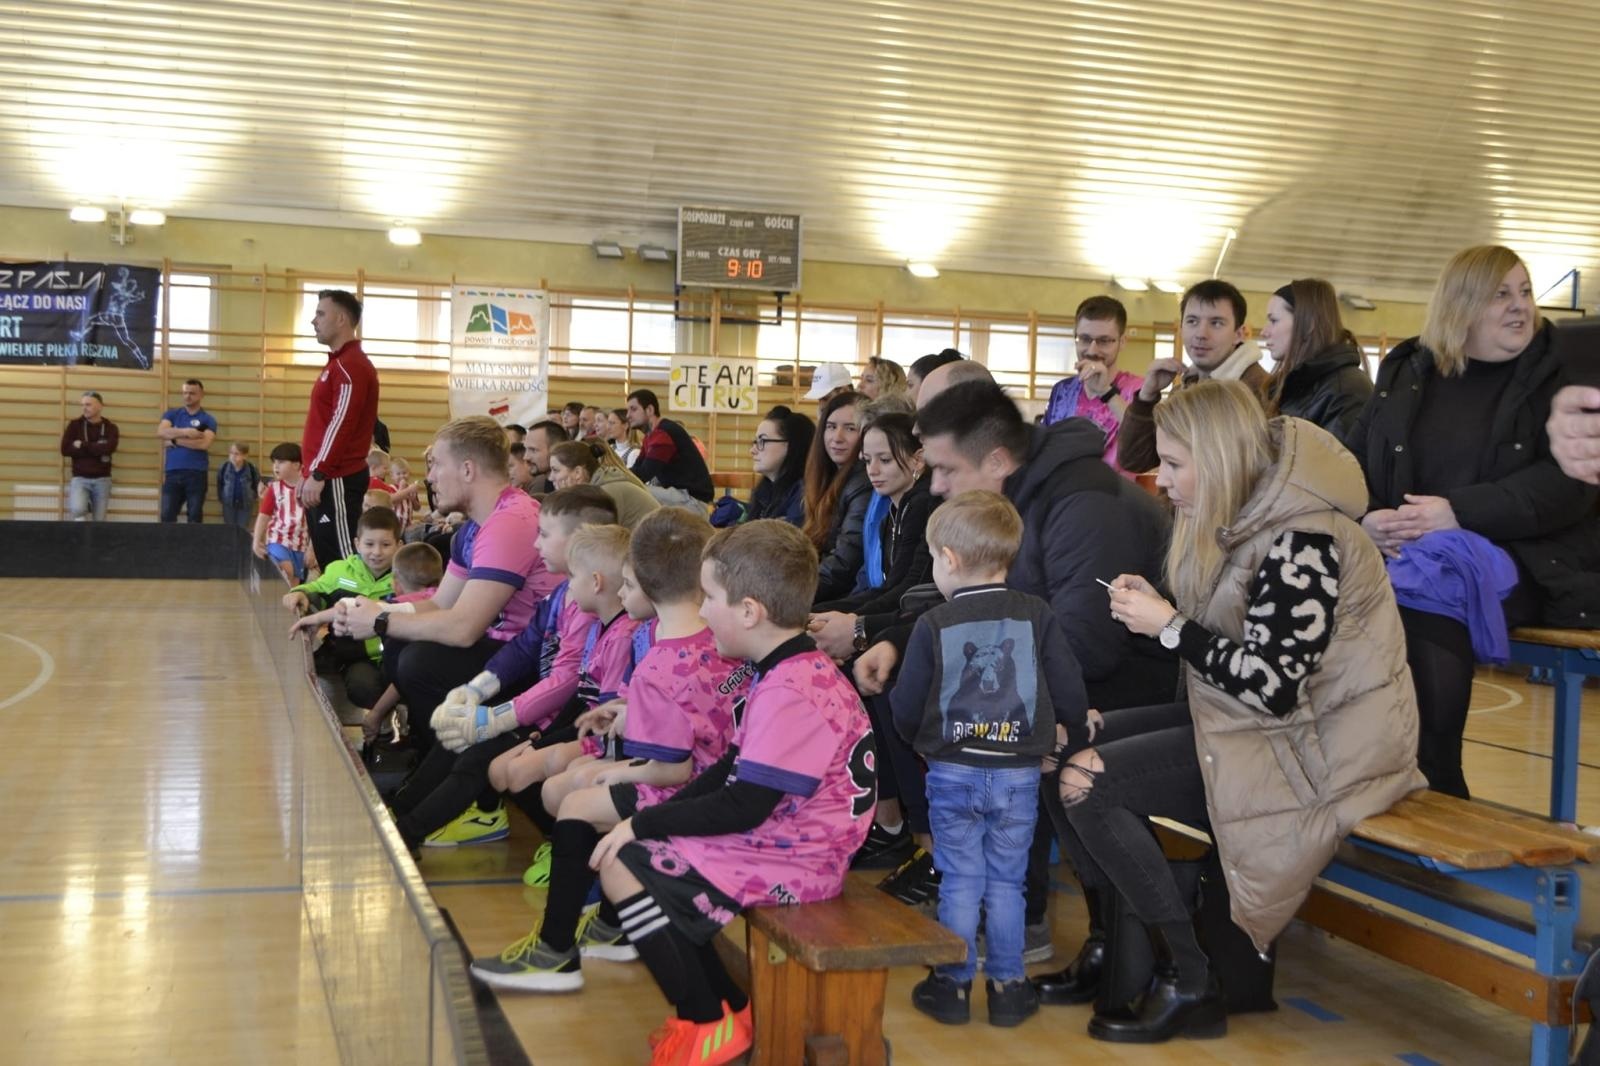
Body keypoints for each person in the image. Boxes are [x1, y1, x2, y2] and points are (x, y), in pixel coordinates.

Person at [1040, 379, 1423, 1042]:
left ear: (1218, 459)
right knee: (1061, 748)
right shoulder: (1244, 520)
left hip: (1319, 749)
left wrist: (1168, 627)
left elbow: (1273, 684)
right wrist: (1161, 609)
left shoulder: (1305, 540)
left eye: (1177, 463)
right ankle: (1112, 946)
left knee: (1088, 782)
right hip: (1258, 728)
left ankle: (1189, 977)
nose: (1162, 478)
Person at [857, 380, 1174, 922]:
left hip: (1130, 689)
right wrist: (898, 640)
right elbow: (990, 607)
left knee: (987, 730)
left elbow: (1086, 647)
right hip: (1079, 676)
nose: (935, 486)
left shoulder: (1084, 507)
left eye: (946, 469)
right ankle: (981, 887)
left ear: (998, 460)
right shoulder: (1021, 497)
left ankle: (1022, 912)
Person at [589, 520, 875, 1065]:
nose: (704, 611)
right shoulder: (786, 667)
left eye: (711, 598)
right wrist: (658, 817)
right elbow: (730, 768)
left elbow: (746, 803)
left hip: (803, 856)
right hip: (794, 836)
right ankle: (726, 1009)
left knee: (627, 863)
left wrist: (645, 824)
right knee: (634, 854)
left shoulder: (790, 688)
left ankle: (708, 1019)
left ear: (749, 611)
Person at [1349, 245, 1600, 797]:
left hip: (1532, 559)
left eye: (1526, 292)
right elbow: (1353, 460)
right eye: (1500, 294)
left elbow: (1569, 487)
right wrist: (1368, 517)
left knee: (1433, 580)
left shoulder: (1560, 375)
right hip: (1404, 553)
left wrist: (1457, 512)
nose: (1520, 307)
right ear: (1460, 304)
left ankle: (1438, 780)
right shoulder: (1407, 368)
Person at [470, 509, 752, 994]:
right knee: (581, 791)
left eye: (625, 584)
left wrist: (616, 773)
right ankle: (605, 923)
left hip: (695, 788)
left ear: (645, 583)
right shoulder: (717, 639)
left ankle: (556, 950)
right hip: (723, 776)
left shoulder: (659, 664)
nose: (621, 596)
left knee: (579, 803)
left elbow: (670, 767)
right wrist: (629, 716)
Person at [891, 491, 1088, 1028]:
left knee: (959, 882)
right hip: (1019, 777)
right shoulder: (1036, 614)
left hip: (952, 772)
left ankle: (951, 989)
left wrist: (918, 740)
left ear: (949, 559)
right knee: (1007, 883)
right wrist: (1071, 725)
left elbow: (905, 704)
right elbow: (1067, 684)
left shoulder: (934, 624)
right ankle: (1008, 988)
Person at [391, 487, 620, 850]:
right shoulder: (562, 593)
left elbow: (567, 682)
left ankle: (404, 836)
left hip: (567, 720)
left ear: (580, 542)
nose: (536, 545)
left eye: (544, 535)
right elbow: (525, 647)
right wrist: (478, 688)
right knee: (459, 739)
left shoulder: (591, 606)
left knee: (481, 756)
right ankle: (397, 815)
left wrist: (499, 718)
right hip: (548, 715)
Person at [334, 416, 558, 753]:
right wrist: (376, 610)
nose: (429, 477)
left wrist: (380, 621)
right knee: (400, 644)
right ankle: (436, 755)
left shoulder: (510, 521)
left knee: (421, 661)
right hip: (506, 651)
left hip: (536, 663)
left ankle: (468, 765)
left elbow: (463, 627)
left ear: (467, 470)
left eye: (436, 464)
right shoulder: (475, 527)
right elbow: (441, 603)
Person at [808, 412, 934, 868]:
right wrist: (827, 613)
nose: (874, 469)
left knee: (874, 687)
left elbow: (910, 592)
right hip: (898, 619)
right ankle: (886, 816)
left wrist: (850, 620)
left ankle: (909, 826)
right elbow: (887, 590)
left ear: (918, 458)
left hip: (917, 630)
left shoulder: (923, 505)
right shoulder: (892, 511)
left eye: (884, 458)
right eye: (868, 460)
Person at [478, 525, 643, 812]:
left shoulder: (623, 636)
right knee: (500, 769)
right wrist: (545, 737)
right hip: (587, 729)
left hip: (605, 740)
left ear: (595, 582)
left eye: (571, 576)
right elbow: (580, 695)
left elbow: (604, 718)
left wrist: (548, 745)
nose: (567, 586)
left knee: (517, 771)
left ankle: (562, 836)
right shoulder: (597, 626)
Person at [1118, 280, 1266, 474]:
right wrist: (1147, 396)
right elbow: (1134, 460)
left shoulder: (1260, 390)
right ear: (1181, 328)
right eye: (1192, 321)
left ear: (1239, 334)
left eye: (1216, 323)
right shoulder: (1186, 388)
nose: (1201, 334)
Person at [286, 506, 404, 709]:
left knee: (417, 677)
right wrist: (299, 593)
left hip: (398, 655)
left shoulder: (406, 577)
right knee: (363, 687)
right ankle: (382, 725)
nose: (376, 552)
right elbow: (317, 589)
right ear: (357, 544)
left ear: (399, 546)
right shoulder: (339, 571)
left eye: (385, 544)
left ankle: (405, 720)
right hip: (356, 658)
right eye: (369, 544)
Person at [300, 289, 380, 567]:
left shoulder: (350, 366)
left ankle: (352, 610)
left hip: (336, 477)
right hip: (326, 476)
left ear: (342, 319)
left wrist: (319, 472)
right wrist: (308, 471)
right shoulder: (337, 365)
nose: (314, 320)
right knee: (329, 561)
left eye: (321, 313)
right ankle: (335, 611)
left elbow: (341, 423)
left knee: (345, 561)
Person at [1258, 278, 1372, 441]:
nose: (1264, 332)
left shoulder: (1348, 389)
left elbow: (1341, 463)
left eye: (1273, 320)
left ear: (1309, 323)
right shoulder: (1289, 383)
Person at [1043, 296, 1144, 476]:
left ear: (1122, 342)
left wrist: (1105, 391)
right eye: (1084, 339)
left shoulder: (1138, 390)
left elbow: (1146, 442)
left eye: (1104, 341)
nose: (1092, 350)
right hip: (1063, 496)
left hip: (1116, 498)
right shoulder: (1062, 390)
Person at [804, 389, 872, 602]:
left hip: (844, 598)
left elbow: (844, 565)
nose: (837, 437)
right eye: (831, 427)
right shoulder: (828, 477)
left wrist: (791, 593)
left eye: (850, 428)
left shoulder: (865, 481)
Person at [626, 389, 715, 508]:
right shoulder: (650, 436)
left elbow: (643, 474)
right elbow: (637, 467)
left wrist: (616, 478)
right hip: (680, 496)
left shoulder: (663, 433)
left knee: (634, 492)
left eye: (633, 409)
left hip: (693, 501)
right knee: (631, 489)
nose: (628, 416)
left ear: (650, 410)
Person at [549, 439, 662, 529]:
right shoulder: (601, 487)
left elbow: (593, 544)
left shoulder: (606, 492)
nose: (550, 478)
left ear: (578, 472)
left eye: (555, 470)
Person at [157, 378, 218, 523]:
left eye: (192, 393)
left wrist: (175, 440)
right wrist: (187, 432)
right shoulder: (172, 414)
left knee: (195, 515)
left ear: (201, 394)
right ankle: (168, 545)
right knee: (166, 514)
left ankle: (194, 546)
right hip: (173, 472)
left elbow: (204, 444)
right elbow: (161, 432)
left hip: (196, 473)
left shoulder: (208, 419)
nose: (187, 396)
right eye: (185, 393)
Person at [254, 443, 314, 583]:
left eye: (281, 462)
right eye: (274, 462)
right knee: (286, 570)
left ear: (296, 465)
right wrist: (256, 541)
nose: (275, 466)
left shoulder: (309, 490)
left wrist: (312, 549)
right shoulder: (274, 489)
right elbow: (263, 516)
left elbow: (315, 524)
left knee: (294, 584)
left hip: (301, 544)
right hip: (278, 540)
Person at [747, 405, 815, 525]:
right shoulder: (765, 490)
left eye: (762, 441)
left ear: (791, 445)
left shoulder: (805, 494)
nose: (752, 450)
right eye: (755, 442)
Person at [60, 391, 119, 521]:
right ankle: (85, 505)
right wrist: (96, 449)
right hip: (80, 478)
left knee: (99, 521)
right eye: (82, 405)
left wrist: (82, 445)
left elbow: (108, 449)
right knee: (78, 510)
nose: (84, 408)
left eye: (88, 404)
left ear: (100, 406)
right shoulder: (75, 425)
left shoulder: (110, 427)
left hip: (103, 480)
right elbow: (65, 450)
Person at [217, 442, 261, 529]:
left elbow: (257, 484)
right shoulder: (224, 467)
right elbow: (220, 484)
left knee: (242, 528)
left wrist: (252, 497)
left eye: (237, 454)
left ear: (245, 456)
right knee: (229, 527)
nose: (233, 456)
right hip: (229, 504)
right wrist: (222, 498)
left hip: (245, 504)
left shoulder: (251, 468)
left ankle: (241, 543)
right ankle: (230, 543)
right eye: (231, 453)